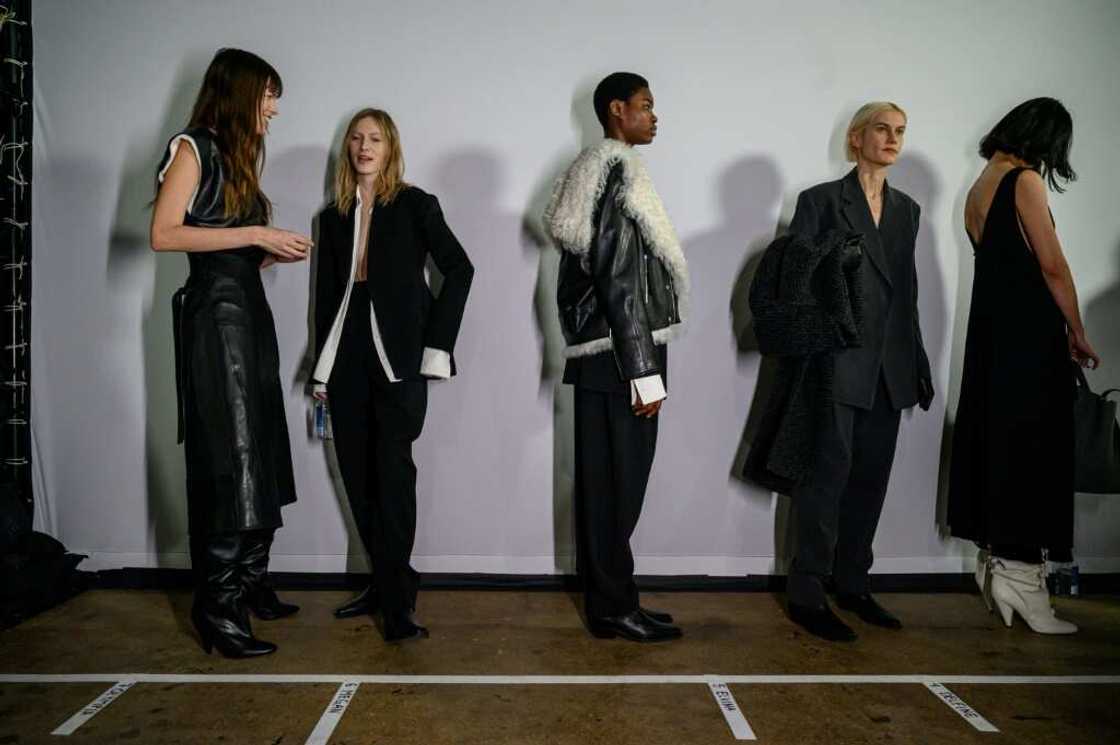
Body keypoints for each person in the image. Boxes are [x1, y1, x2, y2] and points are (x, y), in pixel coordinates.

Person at [150, 48, 309, 658]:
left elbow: (223, 240)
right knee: (230, 450)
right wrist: (256, 234)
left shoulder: (236, 155)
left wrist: (269, 250)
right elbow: (164, 234)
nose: (272, 108)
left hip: (244, 315)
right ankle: (217, 610)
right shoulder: (192, 146)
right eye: (267, 94)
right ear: (241, 92)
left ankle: (246, 586)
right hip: (216, 319)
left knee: (260, 442)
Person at [311, 108, 473, 643]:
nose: (364, 146)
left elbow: (460, 268)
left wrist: (437, 346)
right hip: (347, 354)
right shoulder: (330, 217)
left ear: (390, 147)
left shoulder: (414, 205)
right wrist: (321, 368)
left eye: (374, 138)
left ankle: (400, 602)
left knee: (394, 477)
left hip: (399, 357)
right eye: (356, 138)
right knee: (357, 477)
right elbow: (325, 300)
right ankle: (381, 585)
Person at [544, 72, 689, 642]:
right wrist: (644, 370)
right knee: (615, 488)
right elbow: (619, 276)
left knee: (611, 487)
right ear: (616, 109)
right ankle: (610, 608)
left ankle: (616, 599)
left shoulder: (604, 168)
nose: (655, 116)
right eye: (646, 106)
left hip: (610, 355)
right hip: (621, 355)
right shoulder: (616, 169)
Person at [783, 102, 934, 642]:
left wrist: (916, 363)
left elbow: (907, 295)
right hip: (836, 362)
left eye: (900, 132)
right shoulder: (820, 201)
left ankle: (852, 583)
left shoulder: (909, 210)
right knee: (824, 478)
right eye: (882, 129)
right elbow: (795, 285)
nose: (893, 139)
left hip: (888, 369)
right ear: (855, 139)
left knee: (870, 480)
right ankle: (807, 590)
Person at [948, 97, 1100, 634]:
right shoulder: (1025, 181)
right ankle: (1024, 583)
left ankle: (1002, 569)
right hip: (1029, 342)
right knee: (1033, 451)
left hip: (992, 341)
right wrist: (1078, 332)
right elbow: (1052, 267)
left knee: (1003, 444)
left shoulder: (979, 187)